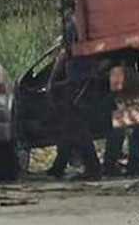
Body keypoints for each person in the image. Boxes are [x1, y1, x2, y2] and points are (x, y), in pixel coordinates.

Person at [46, 10, 102, 180]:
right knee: (70, 126)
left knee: (77, 126)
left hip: (76, 79)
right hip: (88, 78)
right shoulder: (90, 26)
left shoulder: (71, 27)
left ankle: (93, 168)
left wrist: (51, 80)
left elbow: (63, 55)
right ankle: (59, 166)